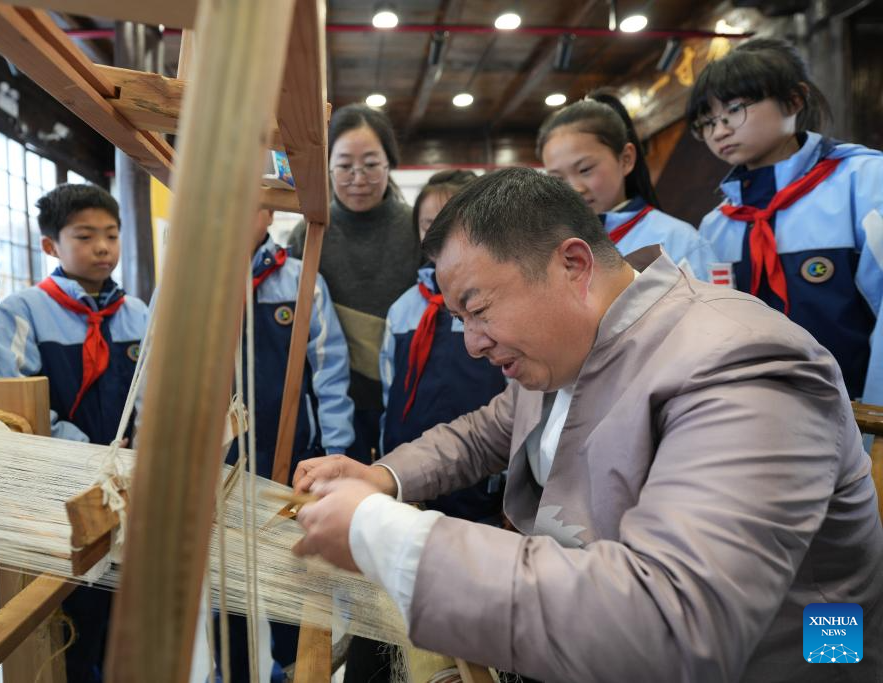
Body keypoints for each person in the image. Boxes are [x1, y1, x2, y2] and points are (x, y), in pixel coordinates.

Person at [290, 168, 883, 682]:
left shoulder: (741, 362)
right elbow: (485, 431)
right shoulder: (566, 351)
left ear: (573, 264)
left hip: (800, 655)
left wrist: (387, 537)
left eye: (479, 309)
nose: (471, 344)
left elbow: (678, 624)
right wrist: (382, 477)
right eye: (458, 318)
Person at [0, 183, 148, 682]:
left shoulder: (137, 314)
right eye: (85, 235)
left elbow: (154, 393)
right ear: (51, 245)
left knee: (127, 615)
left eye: (112, 235)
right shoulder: (24, 310)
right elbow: (7, 404)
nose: (102, 247)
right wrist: (88, 451)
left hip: (128, 488)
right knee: (68, 618)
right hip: (56, 493)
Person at [688, 38, 883, 403]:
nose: (720, 131)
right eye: (708, 121)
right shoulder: (718, 224)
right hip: (756, 415)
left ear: (794, 101)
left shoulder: (865, 181)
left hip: (861, 417)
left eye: (734, 110)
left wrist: (878, 417)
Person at [217, 208, 355, 683]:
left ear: (269, 211)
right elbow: (162, 375)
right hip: (221, 462)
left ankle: (291, 669)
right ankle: (228, 671)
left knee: (290, 575)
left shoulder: (301, 280)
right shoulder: (191, 284)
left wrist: (336, 453)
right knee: (225, 581)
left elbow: (330, 372)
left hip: (293, 456)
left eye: (247, 203)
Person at [288, 104, 420, 465]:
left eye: (371, 164)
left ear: (389, 163)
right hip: (333, 401)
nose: (358, 178)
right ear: (328, 167)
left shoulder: (416, 230)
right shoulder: (310, 233)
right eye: (345, 165)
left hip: (406, 394)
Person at [380, 169, 503, 522]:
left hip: (481, 474)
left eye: (450, 222)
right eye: (428, 224)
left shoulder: (499, 305)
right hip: (408, 474)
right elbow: (390, 392)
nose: (437, 234)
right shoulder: (403, 308)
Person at [538, 91, 716, 279]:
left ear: (626, 159)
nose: (574, 188)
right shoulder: (553, 248)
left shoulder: (678, 240)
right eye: (558, 180)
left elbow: (717, 307)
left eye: (585, 169)